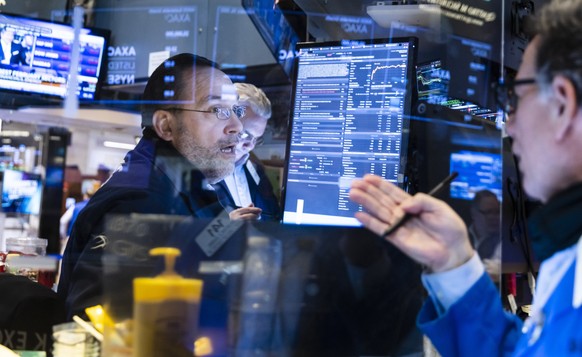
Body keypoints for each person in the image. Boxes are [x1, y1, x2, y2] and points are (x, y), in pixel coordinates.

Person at [349, 0, 582, 355]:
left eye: (514, 99)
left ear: (563, 103)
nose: (510, 125)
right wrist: (453, 262)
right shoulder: (566, 259)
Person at [58, 53, 245, 319]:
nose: (236, 126)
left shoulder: (182, 187)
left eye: (236, 110)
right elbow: (94, 325)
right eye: (217, 110)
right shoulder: (141, 203)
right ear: (165, 125)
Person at [214, 82, 281, 221]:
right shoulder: (194, 171)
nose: (250, 146)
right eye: (245, 134)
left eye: (256, 139)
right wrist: (227, 227)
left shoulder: (255, 169)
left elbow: (273, 216)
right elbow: (178, 233)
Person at [59, 179, 101, 253]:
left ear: (84, 194)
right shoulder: (98, 208)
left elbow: (63, 221)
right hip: (91, 242)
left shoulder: (75, 207)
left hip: (72, 239)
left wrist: (64, 236)